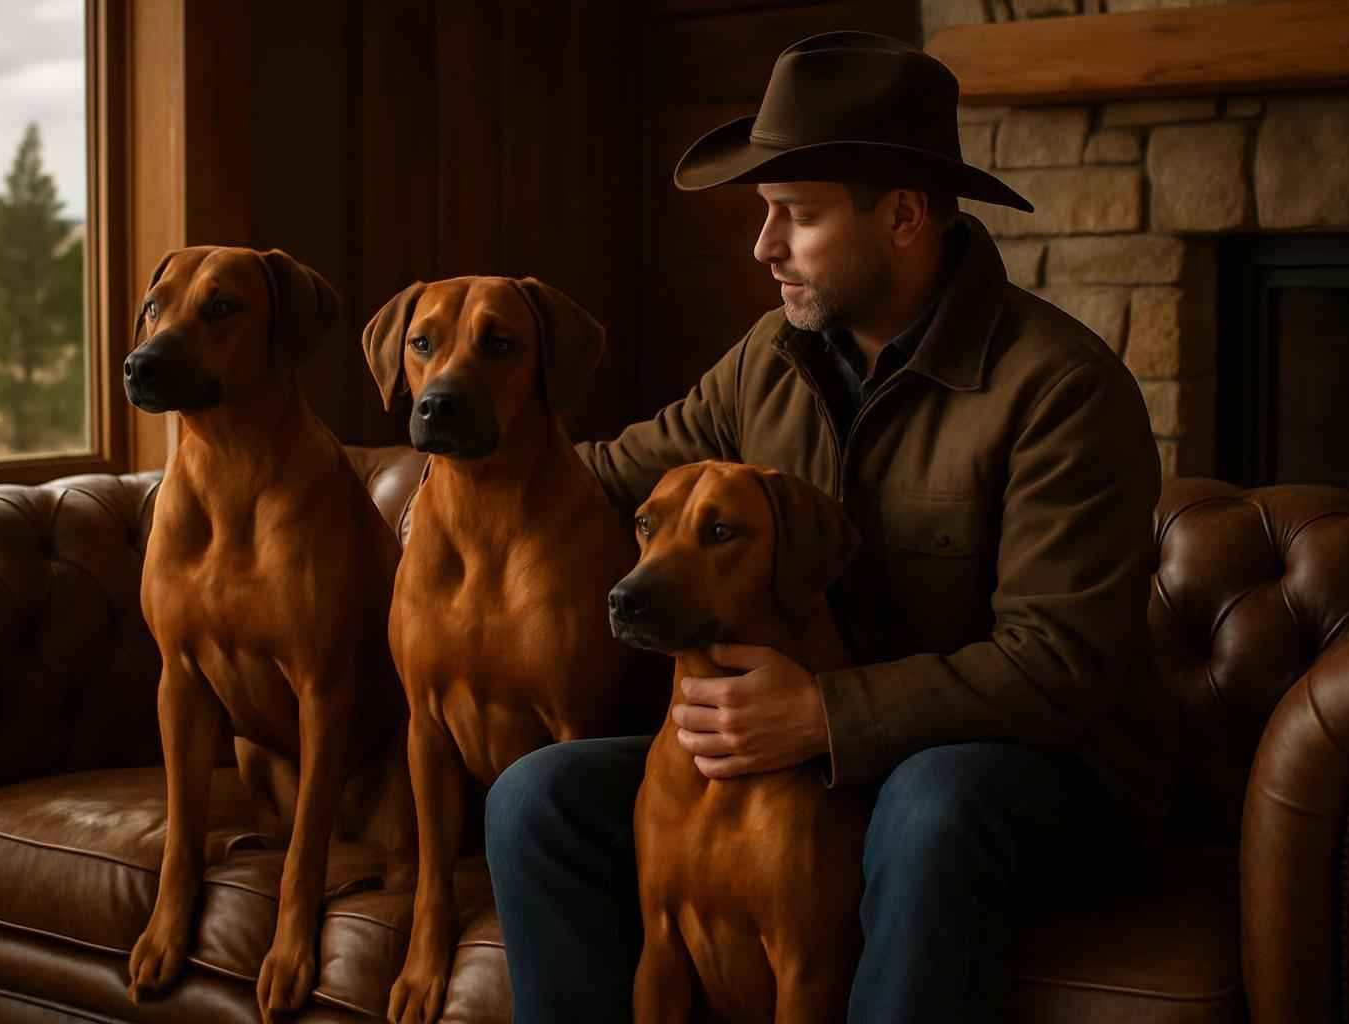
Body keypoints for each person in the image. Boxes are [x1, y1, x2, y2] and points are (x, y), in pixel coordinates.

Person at [485, 30, 1174, 1024]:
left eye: (795, 216)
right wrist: (465, 476)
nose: (761, 246)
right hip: (807, 759)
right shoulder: (772, 352)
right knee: (535, 800)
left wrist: (824, 713)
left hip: (1042, 775)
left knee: (931, 803)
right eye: (765, 214)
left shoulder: (1061, 389)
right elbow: (607, 477)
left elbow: (1060, 662)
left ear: (902, 217)